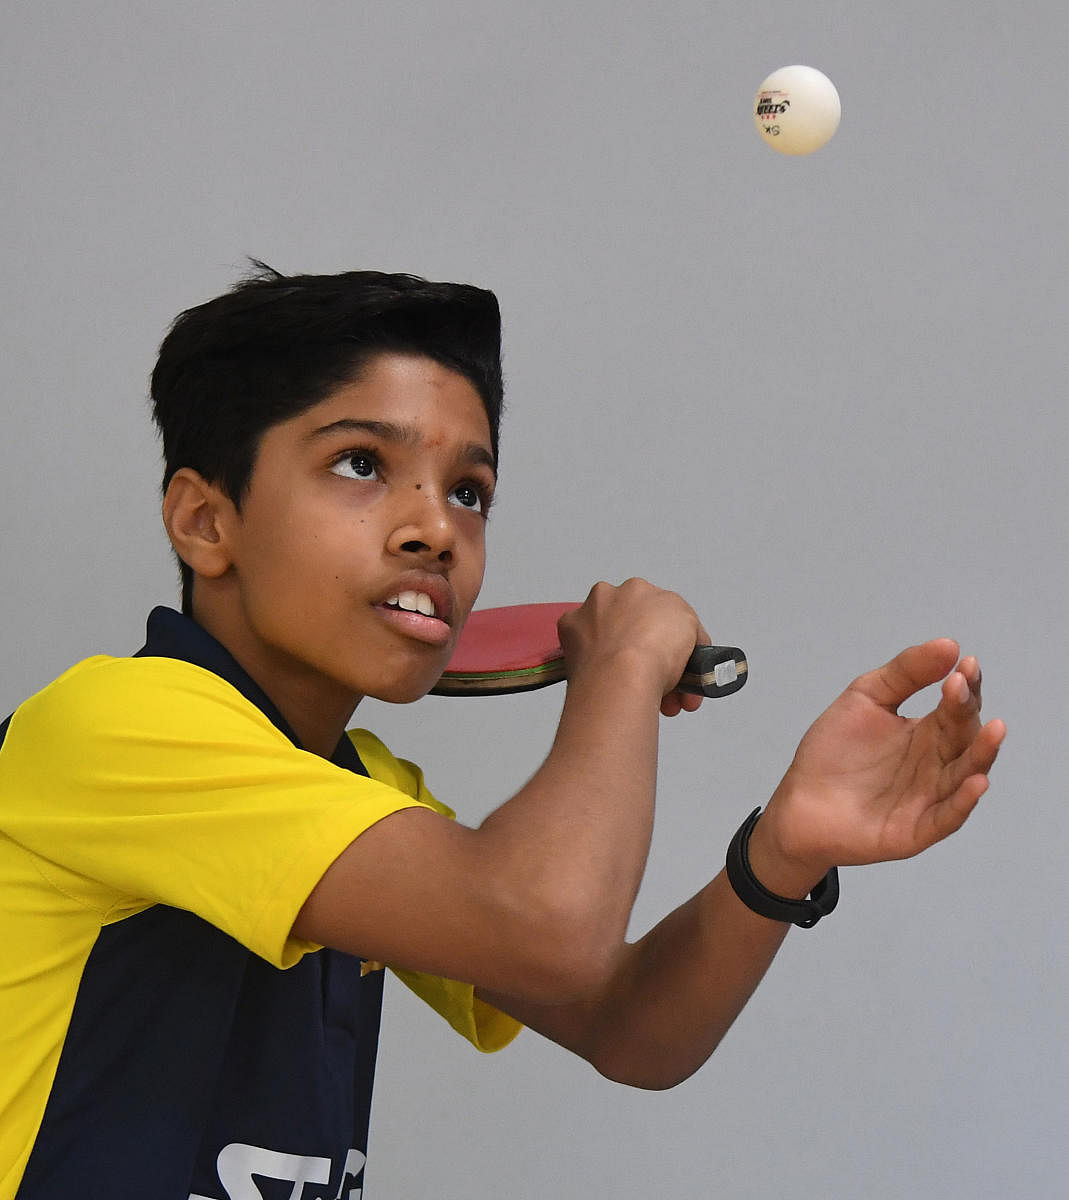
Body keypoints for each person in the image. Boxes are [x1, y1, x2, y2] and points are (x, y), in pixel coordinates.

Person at [0, 266, 1006, 1199]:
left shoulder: (362, 789)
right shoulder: (115, 731)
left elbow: (628, 1027)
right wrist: (617, 666)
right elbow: (550, 932)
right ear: (205, 522)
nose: (434, 529)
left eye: (468, 492)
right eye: (360, 463)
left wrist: (780, 855)